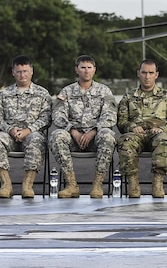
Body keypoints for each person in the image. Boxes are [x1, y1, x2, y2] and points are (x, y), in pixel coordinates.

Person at [49, 55, 117, 198]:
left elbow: (110, 115)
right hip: (74, 137)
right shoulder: (67, 92)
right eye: (83, 68)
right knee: (57, 136)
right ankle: (71, 185)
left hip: (95, 137)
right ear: (76, 70)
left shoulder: (104, 91)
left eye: (89, 68)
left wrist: (94, 131)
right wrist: (72, 131)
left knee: (108, 135)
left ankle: (98, 185)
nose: (86, 71)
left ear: (94, 70)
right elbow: (58, 115)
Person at [0, 55, 53, 198]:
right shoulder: (4, 94)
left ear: (32, 71)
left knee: (36, 139)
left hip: (32, 134)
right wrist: (10, 130)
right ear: (13, 72)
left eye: (25, 71)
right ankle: (6, 185)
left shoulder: (42, 94)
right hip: (10, 134)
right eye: (18, 71)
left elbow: (46, 118)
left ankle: (27, 185)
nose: (22, 75)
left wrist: (28, 130)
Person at [116, 59, 167, 198]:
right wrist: (132, 127)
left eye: (151, 73)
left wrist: (163, 129)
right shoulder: (129, 97)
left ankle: (158, 183)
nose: (147, 76)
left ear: (156, 74)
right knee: (125, 141)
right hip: (136, 135)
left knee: (164, 140)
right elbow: (121, 122)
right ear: (138, 73)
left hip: (157, 134)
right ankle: (133, 184)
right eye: (144, 72)